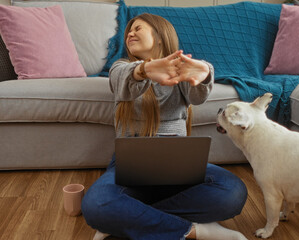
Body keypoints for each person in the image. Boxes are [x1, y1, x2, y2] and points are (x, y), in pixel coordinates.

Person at [81, 13, 248, 240]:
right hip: (130, 165)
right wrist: (145, 70)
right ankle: (193, 230)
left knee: (233, 192)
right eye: (129, 30)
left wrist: (206, 71)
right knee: (96, 204)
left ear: (159, 36)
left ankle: (123, 218)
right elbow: (124, 78)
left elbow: (198, 94)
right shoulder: (121, 68)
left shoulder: (182, 71)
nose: (130, 33)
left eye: (137, 28)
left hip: (179, 165)